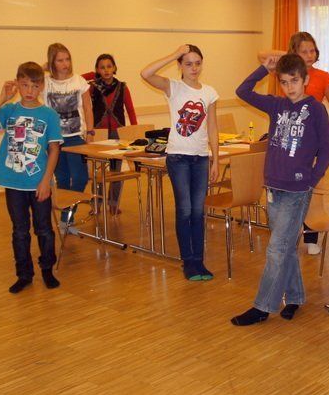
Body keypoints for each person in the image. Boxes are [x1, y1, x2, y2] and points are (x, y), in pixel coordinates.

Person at [231, 53, 329, 326]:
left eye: (295, 81)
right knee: (285, 246)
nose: (290, 87)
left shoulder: (316, 110)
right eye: (285, 82)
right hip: (273, 187)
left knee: (276, 249)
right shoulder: (277, 105)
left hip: (298, 190)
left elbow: (328, 149)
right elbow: (242, 91)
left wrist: (312, 179)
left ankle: (263, 307)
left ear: (306, 80)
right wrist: (264, 69)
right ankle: (296, 297)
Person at [0, 62, 63, 294]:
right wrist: (2, 97)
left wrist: (46, 181)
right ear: (17, 84)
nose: (29, 90)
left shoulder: (49, 115)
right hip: (13, 182)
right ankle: (24, 274)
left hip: (38, 182)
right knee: (20, 231)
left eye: (34, 86)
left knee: (44, 229)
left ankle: (47, 270)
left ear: (41, 86)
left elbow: (54, 149)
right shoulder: (10, 110)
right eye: (24, 85)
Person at [259, 31, 329, 255]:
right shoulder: (288, 71)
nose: (309, 54)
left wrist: (328, 139)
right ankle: (290, 239)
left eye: (312, 50)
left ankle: (311, 235)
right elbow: (262, 54)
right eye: (304, 51)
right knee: (292, 196)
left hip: (310, 142)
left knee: (307, 192)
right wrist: (289, 57)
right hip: (290, 138)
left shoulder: (323, 77)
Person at [140, 44, 219, 281]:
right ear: (180, 66)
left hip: (201, 158)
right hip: (178, 158)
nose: (194, 68)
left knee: (198, 211)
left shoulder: (209, 92)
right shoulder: (173, 87)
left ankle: (199, 261)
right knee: (185, 210)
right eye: (188, 63)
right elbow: (145, 73)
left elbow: (213, 128)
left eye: (197, 63)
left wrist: (215, 159)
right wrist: (174, 54)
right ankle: (188, 262)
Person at [41, 43, 94, 235]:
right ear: (52, 62)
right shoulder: (45, 82)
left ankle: (66, 218)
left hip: (75, 137)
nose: (65, 64)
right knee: (62, 179)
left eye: (67, 59)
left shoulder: (79, 81)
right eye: (60, 60)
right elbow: (25, 77)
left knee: (80, 178)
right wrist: (44, 67)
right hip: (54, 139)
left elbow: (87, 107)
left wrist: (90, 132)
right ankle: (67, 223)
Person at [84, 54, 138, 215]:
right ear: (97, 70)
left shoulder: (122, 87)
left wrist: (135, 131)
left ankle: (113, 203)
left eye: (109, 66)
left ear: (114, 68)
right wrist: (92, 75)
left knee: (116, 171)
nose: (106, 70)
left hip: (118, 133)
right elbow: (77, 80)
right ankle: (97, 203)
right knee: (98, 171)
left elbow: (130, 110)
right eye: (102, 67)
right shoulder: (92, 87)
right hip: (99, 133)